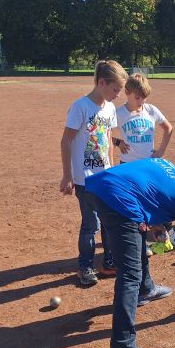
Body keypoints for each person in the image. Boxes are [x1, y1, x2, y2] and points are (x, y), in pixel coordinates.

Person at [86, 159, 175, 348]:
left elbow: (146, 189)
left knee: (138, 234)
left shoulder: (172, 168)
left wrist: (155, 224)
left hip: (98, 188)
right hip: (119, 200)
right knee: (129, 274)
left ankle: (147, 289)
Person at [60, 60, 125, 285]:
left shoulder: (109, 108)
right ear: (101, 82)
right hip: (84, 178)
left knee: (109, 221)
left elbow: (107, 138)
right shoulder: (80, 107)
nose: (118, 94)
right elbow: (66, 141)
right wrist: (67, 175)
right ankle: (85, 267)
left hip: (104, 175)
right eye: (115, 89)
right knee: (91, 224)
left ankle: (109, 263)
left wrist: (112, 169)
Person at [112, 72, 175, 250]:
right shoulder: (118, 113)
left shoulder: (151, 110)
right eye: (138, 97)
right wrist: (118, 142)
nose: (141, 101)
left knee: (158, 201)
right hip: (128, 167)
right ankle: (142, 243)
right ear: (127, 92)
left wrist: (161, 151)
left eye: (144, 97)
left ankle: (170, 235)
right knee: (135, 206)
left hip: (149, 166)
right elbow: (103, 134)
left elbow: (168, 128)